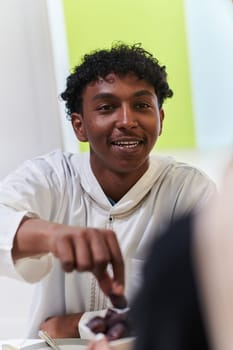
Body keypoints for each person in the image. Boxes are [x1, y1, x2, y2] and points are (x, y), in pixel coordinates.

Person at [0, 43, 216, 339]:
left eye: (141, 106)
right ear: (80, 126)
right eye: (106, 108)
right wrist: (54, 235)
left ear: (160, 120)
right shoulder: (50, 177)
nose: (127, 121)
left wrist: (80, 323)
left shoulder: (189, 190)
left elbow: (206, 301)